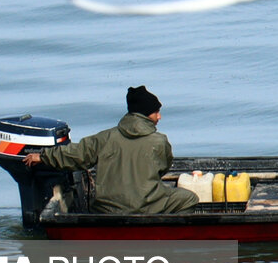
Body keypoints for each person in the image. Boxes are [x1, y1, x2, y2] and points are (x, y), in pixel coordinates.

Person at [23, 86, 199, 214]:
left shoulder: (105, 138)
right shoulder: (159, 141)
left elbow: (76, 154)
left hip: (106, 208)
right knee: (189, 198)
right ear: (146, 114)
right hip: (146, 206)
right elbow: (164, 167)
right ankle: (163, 233)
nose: (159, 116)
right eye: (156, 112)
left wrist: (44, 156)